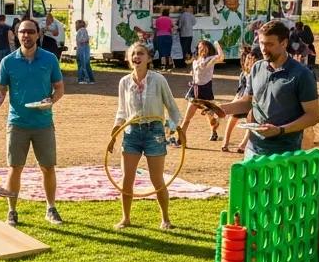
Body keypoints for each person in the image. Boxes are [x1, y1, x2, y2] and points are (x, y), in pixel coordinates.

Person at [0, 18, 65, 227]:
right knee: (15, 167)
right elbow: (1, 89)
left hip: (43, 122)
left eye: (30, 32)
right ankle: (12, 211)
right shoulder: (8, 61)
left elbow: (59, 88)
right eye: (22, 32)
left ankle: (51, 208)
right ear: (16, 34)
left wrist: (51, 100)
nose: (26, 35)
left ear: (38, 34)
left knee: (48, 167)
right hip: (17, 123)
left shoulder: (50, 59)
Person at [219, 19, 319, 159]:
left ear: (284, 43)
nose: (263, 49)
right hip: (253, 151)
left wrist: (280, 130)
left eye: (269, 44)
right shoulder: (256, 68)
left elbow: (312, 116)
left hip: (285, 154)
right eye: (261, 43)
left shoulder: (302, 74)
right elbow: (247, 102)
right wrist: (220, 108)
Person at [109, 42, 182, 230]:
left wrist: (173, 127)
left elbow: (172, 108)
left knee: (157, 179)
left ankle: (166, 219)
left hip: (154, 131)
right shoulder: (124, 82)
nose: (137, 57)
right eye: (133, 54)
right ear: (129, 58)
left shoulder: (158, 80)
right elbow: (122, 111)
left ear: (148, 58)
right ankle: (126, 218)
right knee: (127, 178)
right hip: (131, 132)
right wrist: (115, 131)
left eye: (141, 53)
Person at [179, 39, 225, 142]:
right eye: (200, 47)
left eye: (204, 47)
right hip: (195, 91)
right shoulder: (196, 60)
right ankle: (180, 140)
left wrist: (217, 44)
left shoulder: (211, 59)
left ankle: (214, 133)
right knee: (187, 118)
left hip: (206, 91)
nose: (202, 49)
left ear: (209, 49)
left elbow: (221, 57)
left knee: (211, 118)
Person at [221, 49, 255, 153]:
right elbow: (240, 90)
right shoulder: (243, 74)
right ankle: (225, 141)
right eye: (247, 59)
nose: (249, 61)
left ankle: (243, 144)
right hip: (242, 98)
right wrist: (234, 102)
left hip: (252, 101)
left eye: (251, 59)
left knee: (251, 123)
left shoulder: (256, 73)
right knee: (232, 119)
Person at [74, 19, 94, 84]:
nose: (75, 26)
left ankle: (83, 79)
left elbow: (83, 39)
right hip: (83, 48)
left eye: (76, 24)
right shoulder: (82, 30)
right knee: (85, 63)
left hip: (83, 48)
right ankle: (90, 79)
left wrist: (79, 44)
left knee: (82, 64)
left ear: (79, 24)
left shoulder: (82, 30)